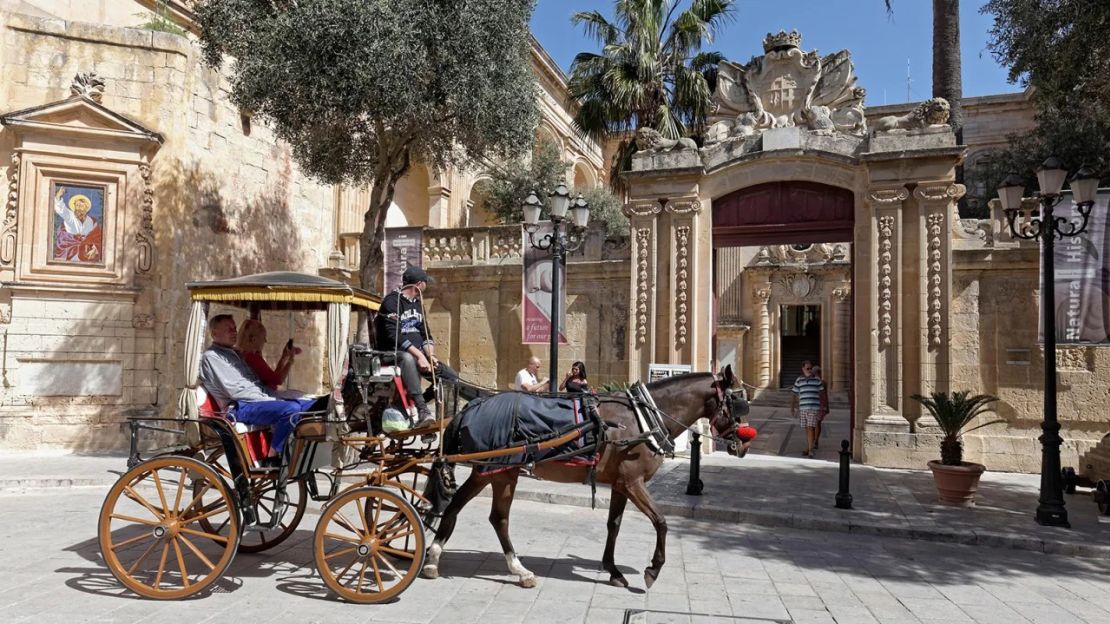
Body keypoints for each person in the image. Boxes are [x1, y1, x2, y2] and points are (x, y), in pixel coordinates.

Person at [199, 314, 324, 469]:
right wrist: (269, 399)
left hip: (256, 399)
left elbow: (255, 383)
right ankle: (272, 455)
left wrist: (271, 396)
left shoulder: (234, 354)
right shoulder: (212, 357)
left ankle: (301, 449)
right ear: (214, 333)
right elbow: (236, 390)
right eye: (228, 329)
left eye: (234, 328)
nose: (234, 332)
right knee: (291, 409)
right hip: (240, 406)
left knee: (312, 405)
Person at [373, 265, 465, 427]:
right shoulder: (391, 301)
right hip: (391, 354)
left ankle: (440, 414)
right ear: (419, 285)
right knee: (408, 359)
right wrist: (419, 356)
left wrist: (430, 355)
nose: (426, 286)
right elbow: (394, 335)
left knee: (451, 377)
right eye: (425, 283)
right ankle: (423, 410)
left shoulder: (417, 304)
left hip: (418, 356)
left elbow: (425, 334)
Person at [236, 319, 299, 390]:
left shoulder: (243, 355)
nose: (265, 341)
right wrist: (291, 360)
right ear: (254, 340)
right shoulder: (253, 359)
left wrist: (283, 357)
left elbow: (272, 378)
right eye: (263, 337)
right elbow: (278, 380)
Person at [53, 188, 102, 263]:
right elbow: (61, 209)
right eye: (77, 205)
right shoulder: (70, 216)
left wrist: (95, 248)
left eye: (81, 206)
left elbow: (96, 236)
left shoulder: (91, 221)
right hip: (70, 249)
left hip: (86, 252)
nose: (79, 208)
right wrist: (58, 197)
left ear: (86, 208)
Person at [790, 360, 824, 458]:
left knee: (810, 428)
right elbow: (794, 394)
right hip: (803, 408)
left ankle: (810, 450)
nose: (810, 370)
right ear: (803, 369)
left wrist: (822, 408)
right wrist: (792, 408)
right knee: (807, 429)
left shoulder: (817, 380)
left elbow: (822, 395)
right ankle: (810, 446)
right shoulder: (799, 380)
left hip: (814, 408)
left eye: (810, 368)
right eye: (807, 368)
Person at [811, 365, 829, 450]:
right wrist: (826, 407)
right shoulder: (824, 382)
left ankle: (813, 440)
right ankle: (816, 440)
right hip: (821, 406)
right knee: (818, 423)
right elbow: (825, 395)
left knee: (813, 424)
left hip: (814, 405)